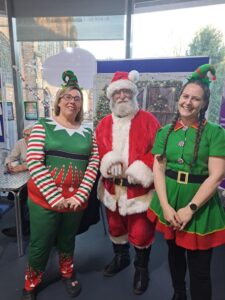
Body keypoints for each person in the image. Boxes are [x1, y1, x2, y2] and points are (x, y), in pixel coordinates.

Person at [147, 64, 225, 300]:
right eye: (185, 96)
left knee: (200, 268)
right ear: (179, 98)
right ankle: (179, 292)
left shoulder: (215, 133)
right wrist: (166, 206)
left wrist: (190, 209)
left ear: (203, 104)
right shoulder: (164, 132)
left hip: (199, 206)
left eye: (195, 98)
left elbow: (217, 175)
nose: (188, 102)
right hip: (169, 200)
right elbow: (158, 170)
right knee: (174, 255)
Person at [21, 70, 99, 300]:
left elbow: (94, 162)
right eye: (68, 97)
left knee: (68, 239)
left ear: (81, 104)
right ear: (58, 101)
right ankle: (31, 282)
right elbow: (34, 161)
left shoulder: (88, 131)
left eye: (77, 98)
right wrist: (55, 197)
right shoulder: (42, 126)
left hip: (75, 201)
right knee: (40, 242)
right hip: (44, 200)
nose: (72, 102)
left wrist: (81, 195)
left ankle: (67, 271)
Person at [95, 70, 160, 295]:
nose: (122, 96)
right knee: (115, 228)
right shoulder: (103, 123)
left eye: (126, 91)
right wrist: (107, 159)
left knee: (141, 232)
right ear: (111, 97)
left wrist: (142, 167)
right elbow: (98, 149)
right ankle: (121, 258)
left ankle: (141, 268)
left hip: (139, 191)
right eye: (117, 93)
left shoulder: (149, 120)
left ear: (133, 94)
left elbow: (158, 152)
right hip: (112, 190)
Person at [2, 125, 33, 237]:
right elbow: (11, 157)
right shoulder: (20, 143)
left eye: (29, 135)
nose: (26, 137)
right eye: (24, 134)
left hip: (37, 176)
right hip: (23, 176)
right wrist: (9, 164)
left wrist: (23, 166)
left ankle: (25, 227)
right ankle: (22, 226)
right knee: (18, 196)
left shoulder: (41, 144)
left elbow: (39, 160)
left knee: (23, 197)